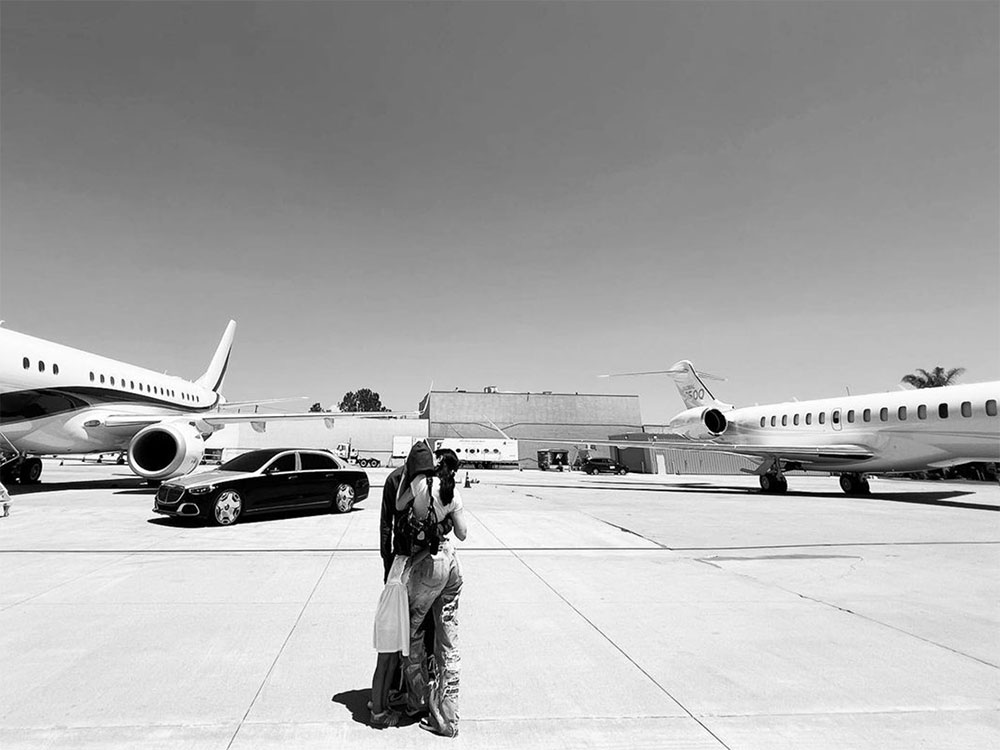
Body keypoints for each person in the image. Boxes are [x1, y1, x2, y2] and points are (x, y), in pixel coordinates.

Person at [397, 448, 467, 737]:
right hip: (452, 566)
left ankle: (417, 700)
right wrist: (445, 520)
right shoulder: (452, 491)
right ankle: (448, 717)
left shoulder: (420, 485)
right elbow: (462, 533)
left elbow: (400, 506)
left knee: (411, 635)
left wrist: (407, 474)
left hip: (427, 566)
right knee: (448, 640)